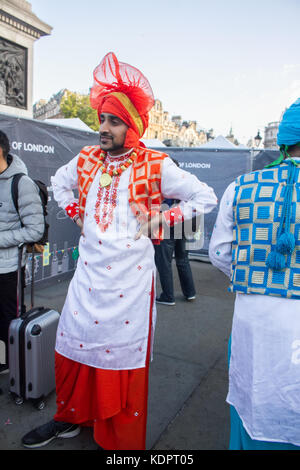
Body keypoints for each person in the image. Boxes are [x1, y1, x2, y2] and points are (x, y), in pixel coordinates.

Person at [21, 52, 217, 450]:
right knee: (72, 347)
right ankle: (70, 418)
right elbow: (59, 183)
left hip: (130, 286)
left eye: (114, 121)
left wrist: (164, 219)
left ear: (132, 126)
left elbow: (205, 196)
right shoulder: (88, 158)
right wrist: (76, 212)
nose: (104, 128)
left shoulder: (154, 163)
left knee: (119, 360)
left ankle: (117, 440)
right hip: (87, 279)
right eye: (102, 119)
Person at [209, 97, 300, 450]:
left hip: (254, 318)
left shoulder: (242, 186)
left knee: (254, 394)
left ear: (284, 141)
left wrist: (251, 274)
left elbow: (219, 252)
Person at [0, 130, 44, 372]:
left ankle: (8, 362)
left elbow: (35, 231)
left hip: (8, 267)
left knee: (8, 317)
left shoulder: (21, 184)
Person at [155, 194, 196, 306]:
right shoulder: (187, 180)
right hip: (185, 219)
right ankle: (190, 293)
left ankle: (168, 296)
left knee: (164, 261)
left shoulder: (166, 179)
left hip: (169, 218)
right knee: (183, 259)